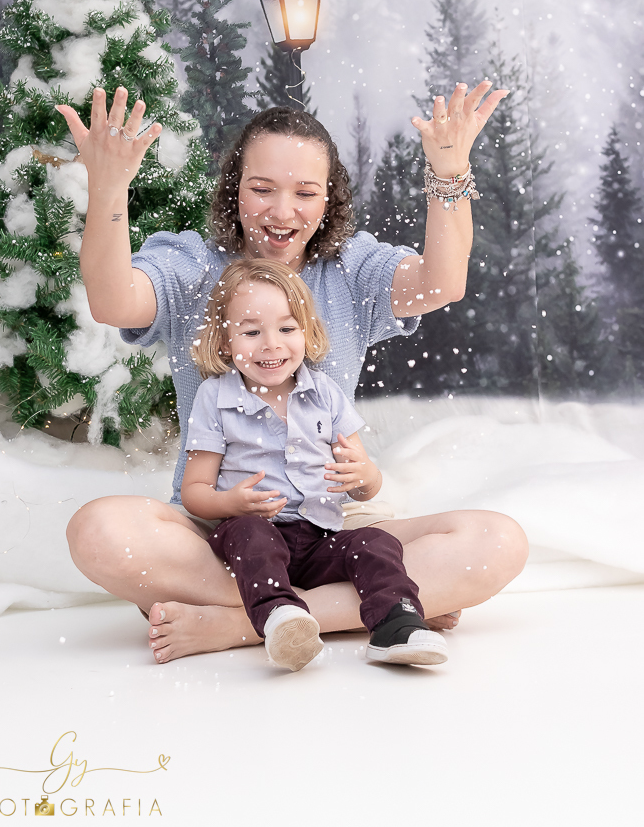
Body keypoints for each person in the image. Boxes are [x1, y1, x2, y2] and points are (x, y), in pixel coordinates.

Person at [59, 81, 528, 665]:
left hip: (332, 526)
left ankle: (243, 622)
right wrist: (108, 183)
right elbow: (111, 300)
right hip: (224, 532)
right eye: (262, 189)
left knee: (497, 543)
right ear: (234, 190)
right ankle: (379, 606)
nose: (283, 213)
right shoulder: (192, 264)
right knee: (97, 530)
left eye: (306, 193)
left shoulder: (351, 268)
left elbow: (442, 283)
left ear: (329, 199)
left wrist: (449, 171)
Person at [184, 257, 449, 671]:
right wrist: (232, 504)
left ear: (306, 334)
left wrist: (365, 477)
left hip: (321, 537)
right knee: (255, 538)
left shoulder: (324, 392)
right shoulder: (214, 397)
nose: (271, 344)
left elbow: (364, 482)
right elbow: (194, 493)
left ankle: (396, 624)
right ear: (223, 341)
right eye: (251, 332)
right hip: (253, 533)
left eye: (287, 329)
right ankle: (279, 617)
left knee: (375, 542)